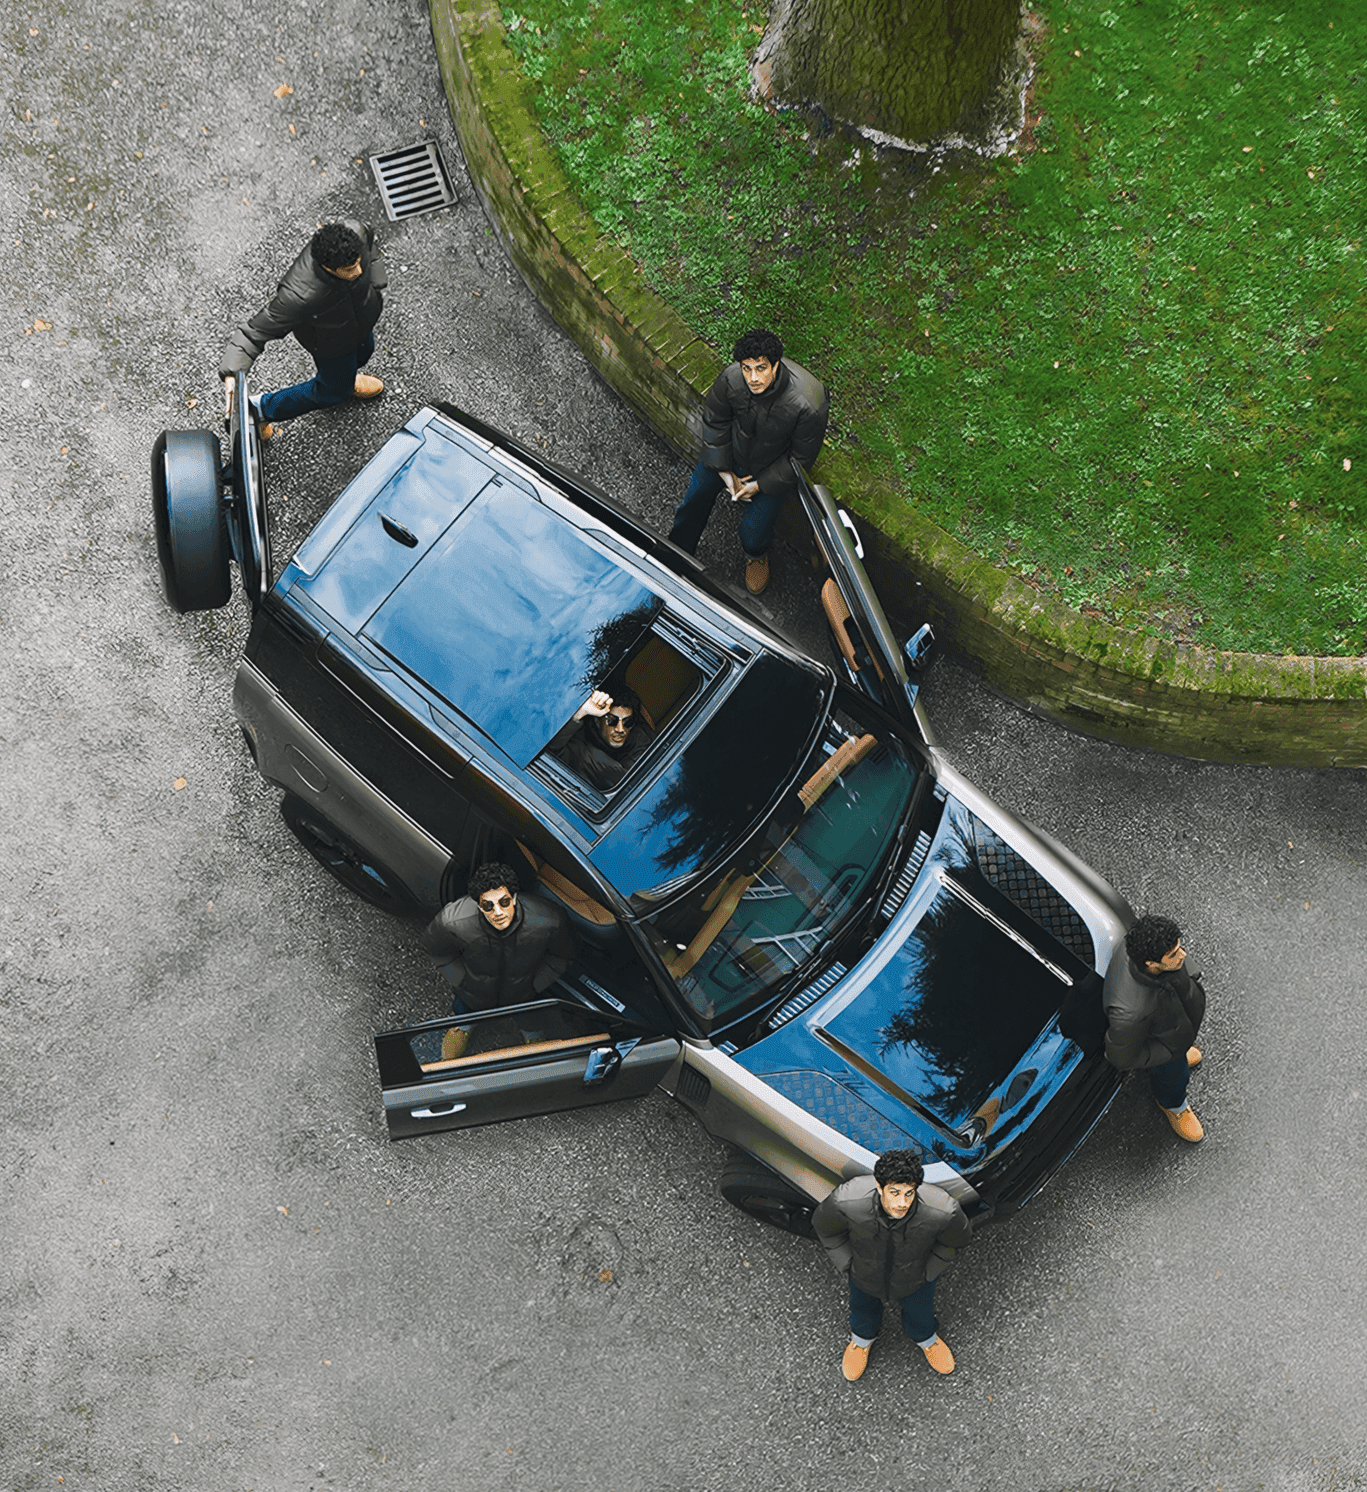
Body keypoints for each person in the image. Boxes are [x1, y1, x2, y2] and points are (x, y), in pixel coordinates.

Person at [666, 327, 829, 596]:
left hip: (769, 471)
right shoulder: (732, 378)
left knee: (752, 533)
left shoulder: (808, 403)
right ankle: (676, 551)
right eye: (746, 368)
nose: (753, 378)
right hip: (731, 454)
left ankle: (757, 555)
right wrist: (723, 469)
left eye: (761, 368)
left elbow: (800, 459)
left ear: (776, 365)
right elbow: (715, 420)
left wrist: (760, 485)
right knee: (693, 500)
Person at [812, 1149, 972, 1383]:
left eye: (909, 1193)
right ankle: (862, 1338)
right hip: (864, 1273)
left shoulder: (944, 1211)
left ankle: (926, 1338)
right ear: (879, 1187)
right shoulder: (846, 1200)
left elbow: (957, 1240)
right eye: (894, 1193)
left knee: (921, 1311)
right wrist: (847, 1264)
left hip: (915, 1277)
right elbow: (825, 1229)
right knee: (862, 1307)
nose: (902, 1203)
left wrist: (929, 1272)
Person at [219, 219, 388, 439]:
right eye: (349, 269)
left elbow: (371, 248)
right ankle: (259, 409)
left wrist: (377, 282)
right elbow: (254, 333)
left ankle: (347, 380)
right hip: (332, 345)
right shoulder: (297, 296)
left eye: (358, 262)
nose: (358, 271)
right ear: (328, 267)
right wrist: (233, 373)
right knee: (331, 391)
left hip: (361, 323)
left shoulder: (356, 233)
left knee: (364, 353)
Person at [422, 862, 575, 1058]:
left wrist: (536, 984)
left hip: (523, 992)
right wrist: (462, 980)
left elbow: (562, 955)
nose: (498, 913)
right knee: (464, 1008)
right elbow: (435, 950)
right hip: (474, 992)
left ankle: (532, 1033)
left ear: (515, 897)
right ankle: (464, 1024)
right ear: (478, 904)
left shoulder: (549, 920)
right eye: (488, 905)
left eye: (504, 902)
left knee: (529, 1016)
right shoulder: (452, 922)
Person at [1103, 913, 1208, 1142]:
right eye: (1174, 954)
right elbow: (1122, 1057)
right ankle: (1174, 1106)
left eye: (1180, 947)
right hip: (1166, 1049)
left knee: (1179, 1056)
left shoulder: (1145, 948)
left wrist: (1191, 973)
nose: (1184, 955)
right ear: (1151, 964)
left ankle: (1181, 1053)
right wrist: (1169, 1054)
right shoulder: (1131, 1012)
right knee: (1173, 1077)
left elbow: (1179, 960)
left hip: (1174, 1027)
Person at [547, 686, 654, 790]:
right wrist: (580, 713)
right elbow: (552, 751)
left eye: (628, 722)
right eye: (612, 721)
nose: (620, 729)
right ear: (598, 722)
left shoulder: (640, 742)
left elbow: (635, 784)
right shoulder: (580, 741)